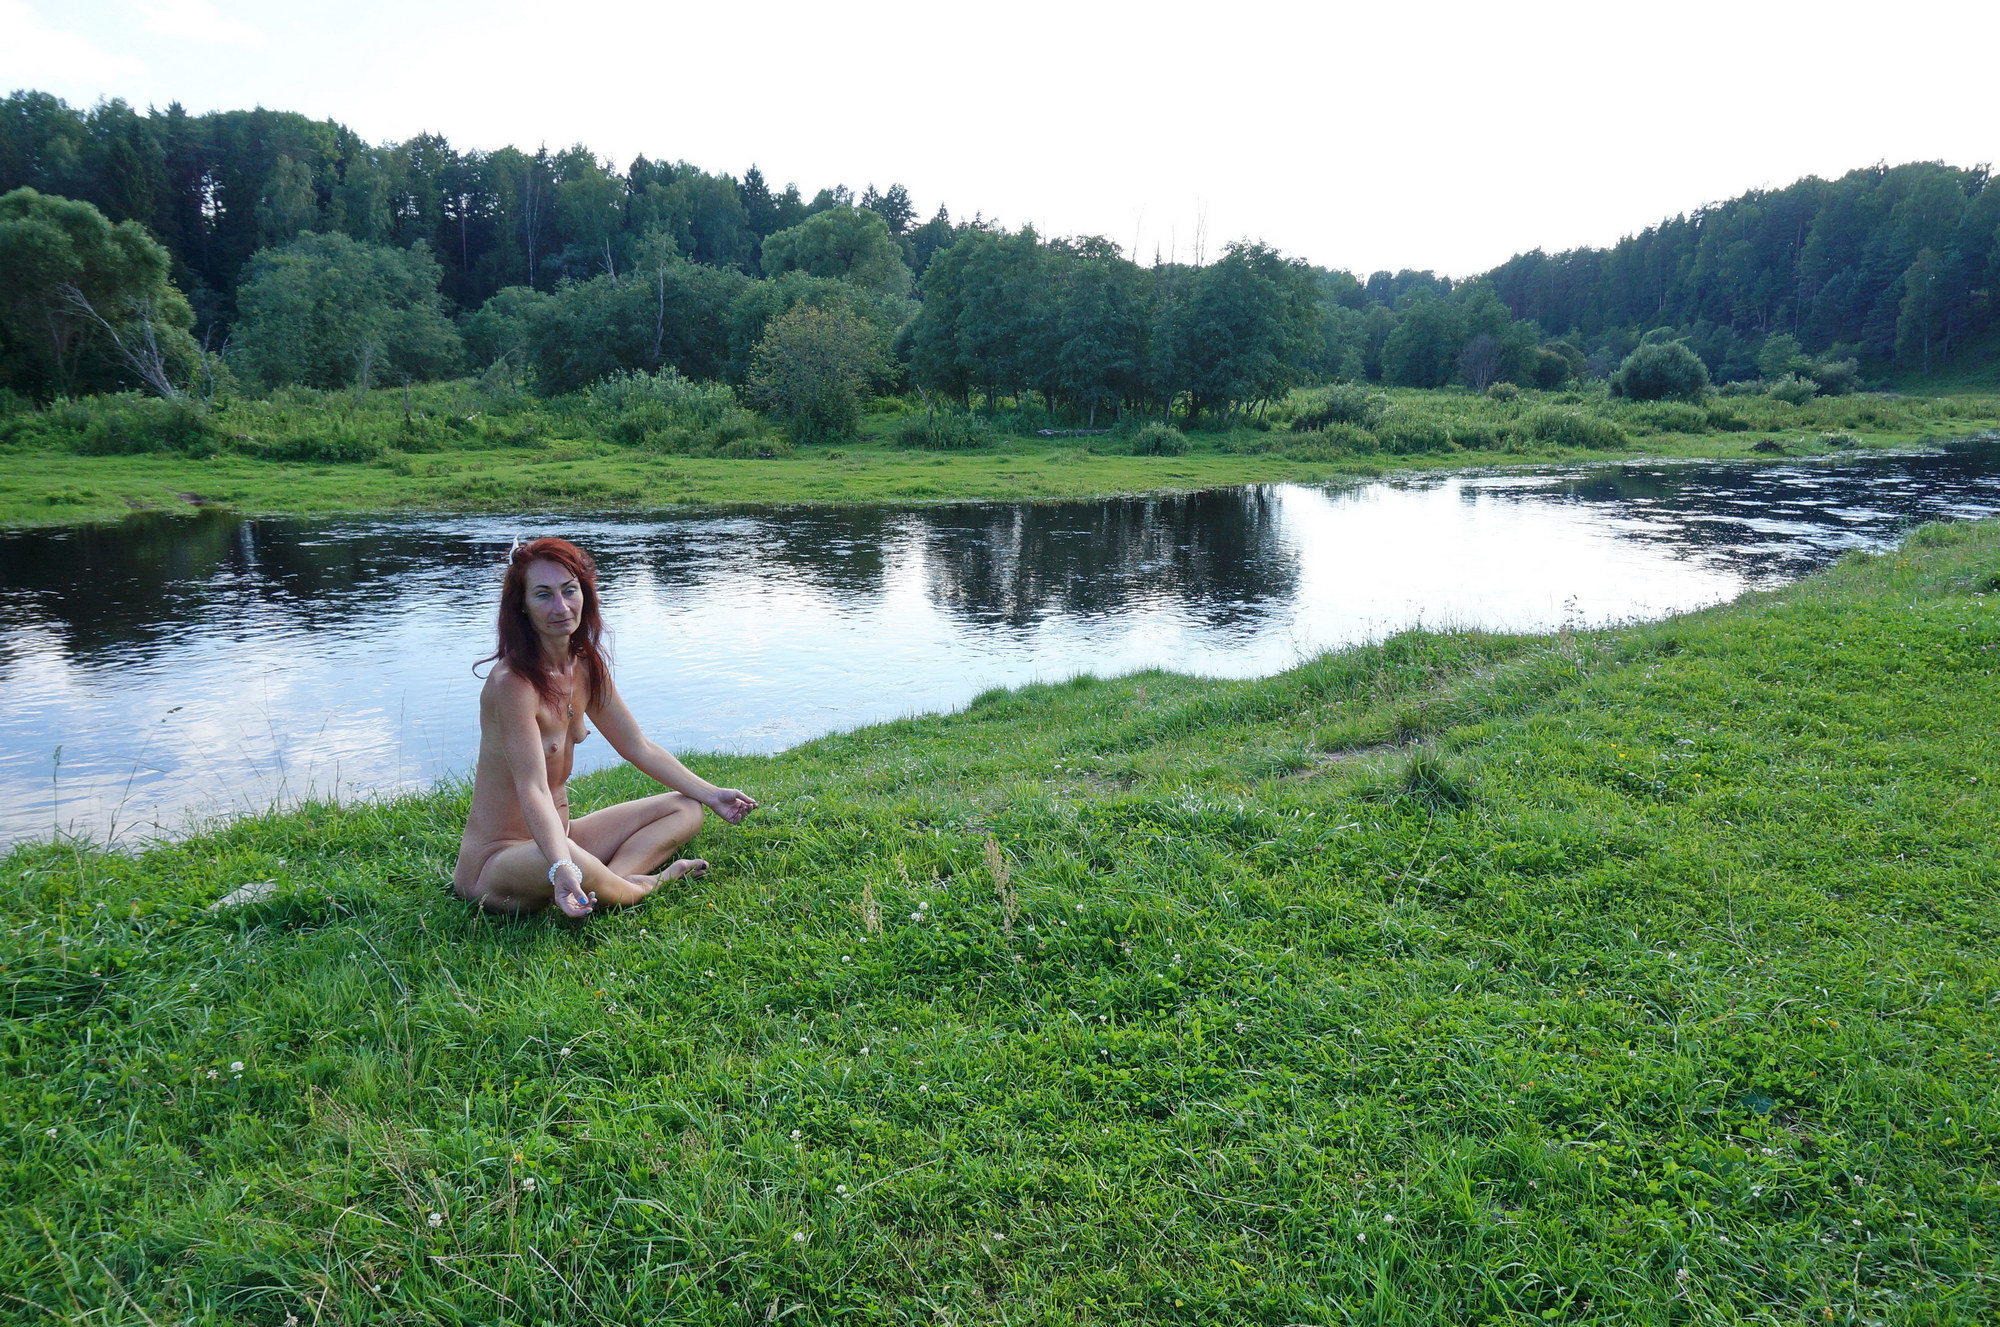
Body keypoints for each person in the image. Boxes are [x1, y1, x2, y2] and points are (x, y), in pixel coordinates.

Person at [452, 536, 756, 917]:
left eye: (569, 590)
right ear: (522, 606)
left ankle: (609, 881)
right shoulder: (512, 684)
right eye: (543, 595)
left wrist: (712, 794)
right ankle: (644, 886)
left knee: (686, 809)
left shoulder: (583, 664)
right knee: (571, 857)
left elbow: (638, 746)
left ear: (585, 592)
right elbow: (533, 787)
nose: (561, 607)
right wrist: (560, 864)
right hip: (498, 863)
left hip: (562, 838)